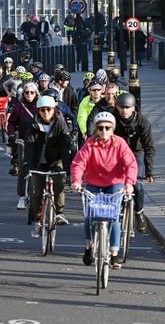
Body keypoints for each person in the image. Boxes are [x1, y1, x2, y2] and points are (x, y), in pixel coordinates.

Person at [70, 111, 138, 268]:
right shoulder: (90, 143)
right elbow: (78, 163)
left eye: (108, 128)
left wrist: (129, 183)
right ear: (96, 129)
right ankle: (88, 247)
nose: (104, 131)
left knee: (113, 216)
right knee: (90, 215)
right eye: (100, 128)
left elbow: (130, 164)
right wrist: (76, 181)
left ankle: (114, 254)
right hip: (94, 183)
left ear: (113, 129)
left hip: (115, 183)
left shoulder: (120, 143)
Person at [25, 95, 74, 236]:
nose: (46, 113)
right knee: (37, 192)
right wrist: (28, 166)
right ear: (38, 111)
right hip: (38, 161)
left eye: (49, 109)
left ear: (54, 109)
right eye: (42, 110)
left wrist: (67, 169)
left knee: (59, 185)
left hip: (56, 159)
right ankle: (38, 221)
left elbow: (65, 147)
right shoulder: (33, 124)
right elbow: (29, 147)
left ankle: (59, 213)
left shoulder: (60, 123)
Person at [111, 93, 155, 233]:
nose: (124, 110)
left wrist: (149, 171)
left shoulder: (142, 121)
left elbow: (149, 147)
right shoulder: (113, 119)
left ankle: (139, 213)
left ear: (133, 108)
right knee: (114, 184)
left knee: (138, 185)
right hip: (117, 154)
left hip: (136, 155)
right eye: (121, 107)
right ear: (117, 107)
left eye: (127, 107)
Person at [8, 80, 39, 208]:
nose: (29, 95)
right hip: (23, 141)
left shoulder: (41, 105)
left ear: (36, 93)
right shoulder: (19, 107)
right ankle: (22, 196)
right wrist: (11, 134)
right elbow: (11, 123)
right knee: (23, 168)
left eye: (32, 92)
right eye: (27, 92)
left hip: (38, 140)